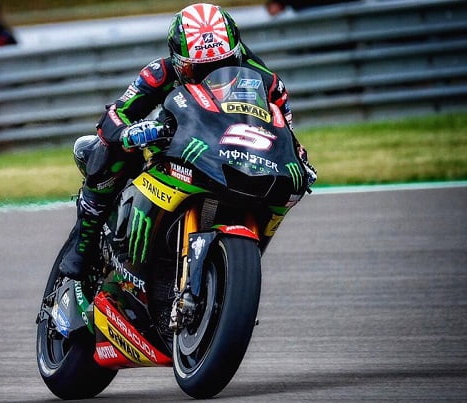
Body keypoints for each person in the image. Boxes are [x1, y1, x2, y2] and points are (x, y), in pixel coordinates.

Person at [59, 3, 316, 280]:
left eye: (223, 64)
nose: (211, 74)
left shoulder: (267, 82)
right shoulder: (160, 73)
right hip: (172, 142)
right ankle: (83, 243)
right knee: (111, 152)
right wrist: (129, 133)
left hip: (225, 154)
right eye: (199, 68)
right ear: (178, 59)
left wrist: (298, 157)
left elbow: (285, 131)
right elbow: (115, 114)